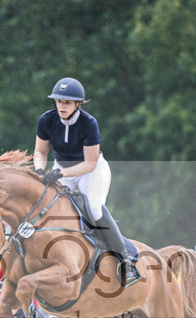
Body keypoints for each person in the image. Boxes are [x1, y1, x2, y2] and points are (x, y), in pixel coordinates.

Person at [33, 77, 142, 287]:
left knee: (93, 209)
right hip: (61, 169)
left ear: (77, 104)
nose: (61, 106)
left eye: (66, 102)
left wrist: (60, 174)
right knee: (46, 205)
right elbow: (40, 151)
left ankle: (125, 261)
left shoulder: (88, 123)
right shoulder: (46, 120)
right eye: (58, 101)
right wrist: (39, 170)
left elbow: (89, 164)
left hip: (91, 170)